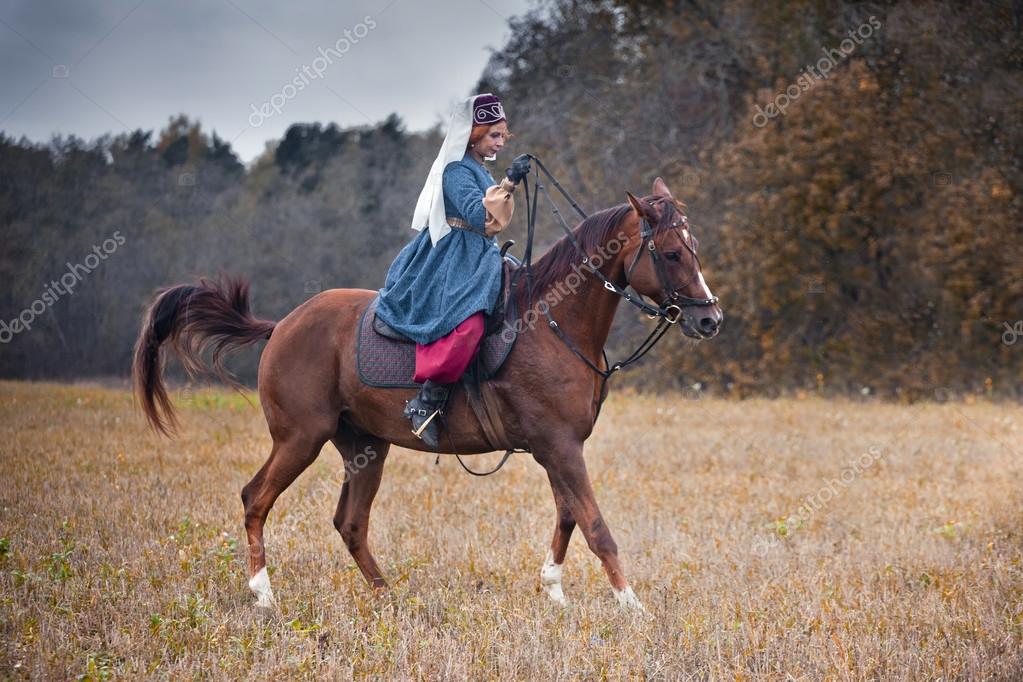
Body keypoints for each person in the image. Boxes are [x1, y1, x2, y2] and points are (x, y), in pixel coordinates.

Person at [376, 93, 531, 448]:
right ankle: (426, 402)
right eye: (494, 134)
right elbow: (479, 216)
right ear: (474, 134)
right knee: (468, 325)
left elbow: (493, 224)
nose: (500, 142)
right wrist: (509, 183)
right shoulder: (456, 170)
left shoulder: (479, 169)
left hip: (481, 252)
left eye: (503, 135)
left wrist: (507, 182)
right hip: (454, 256)